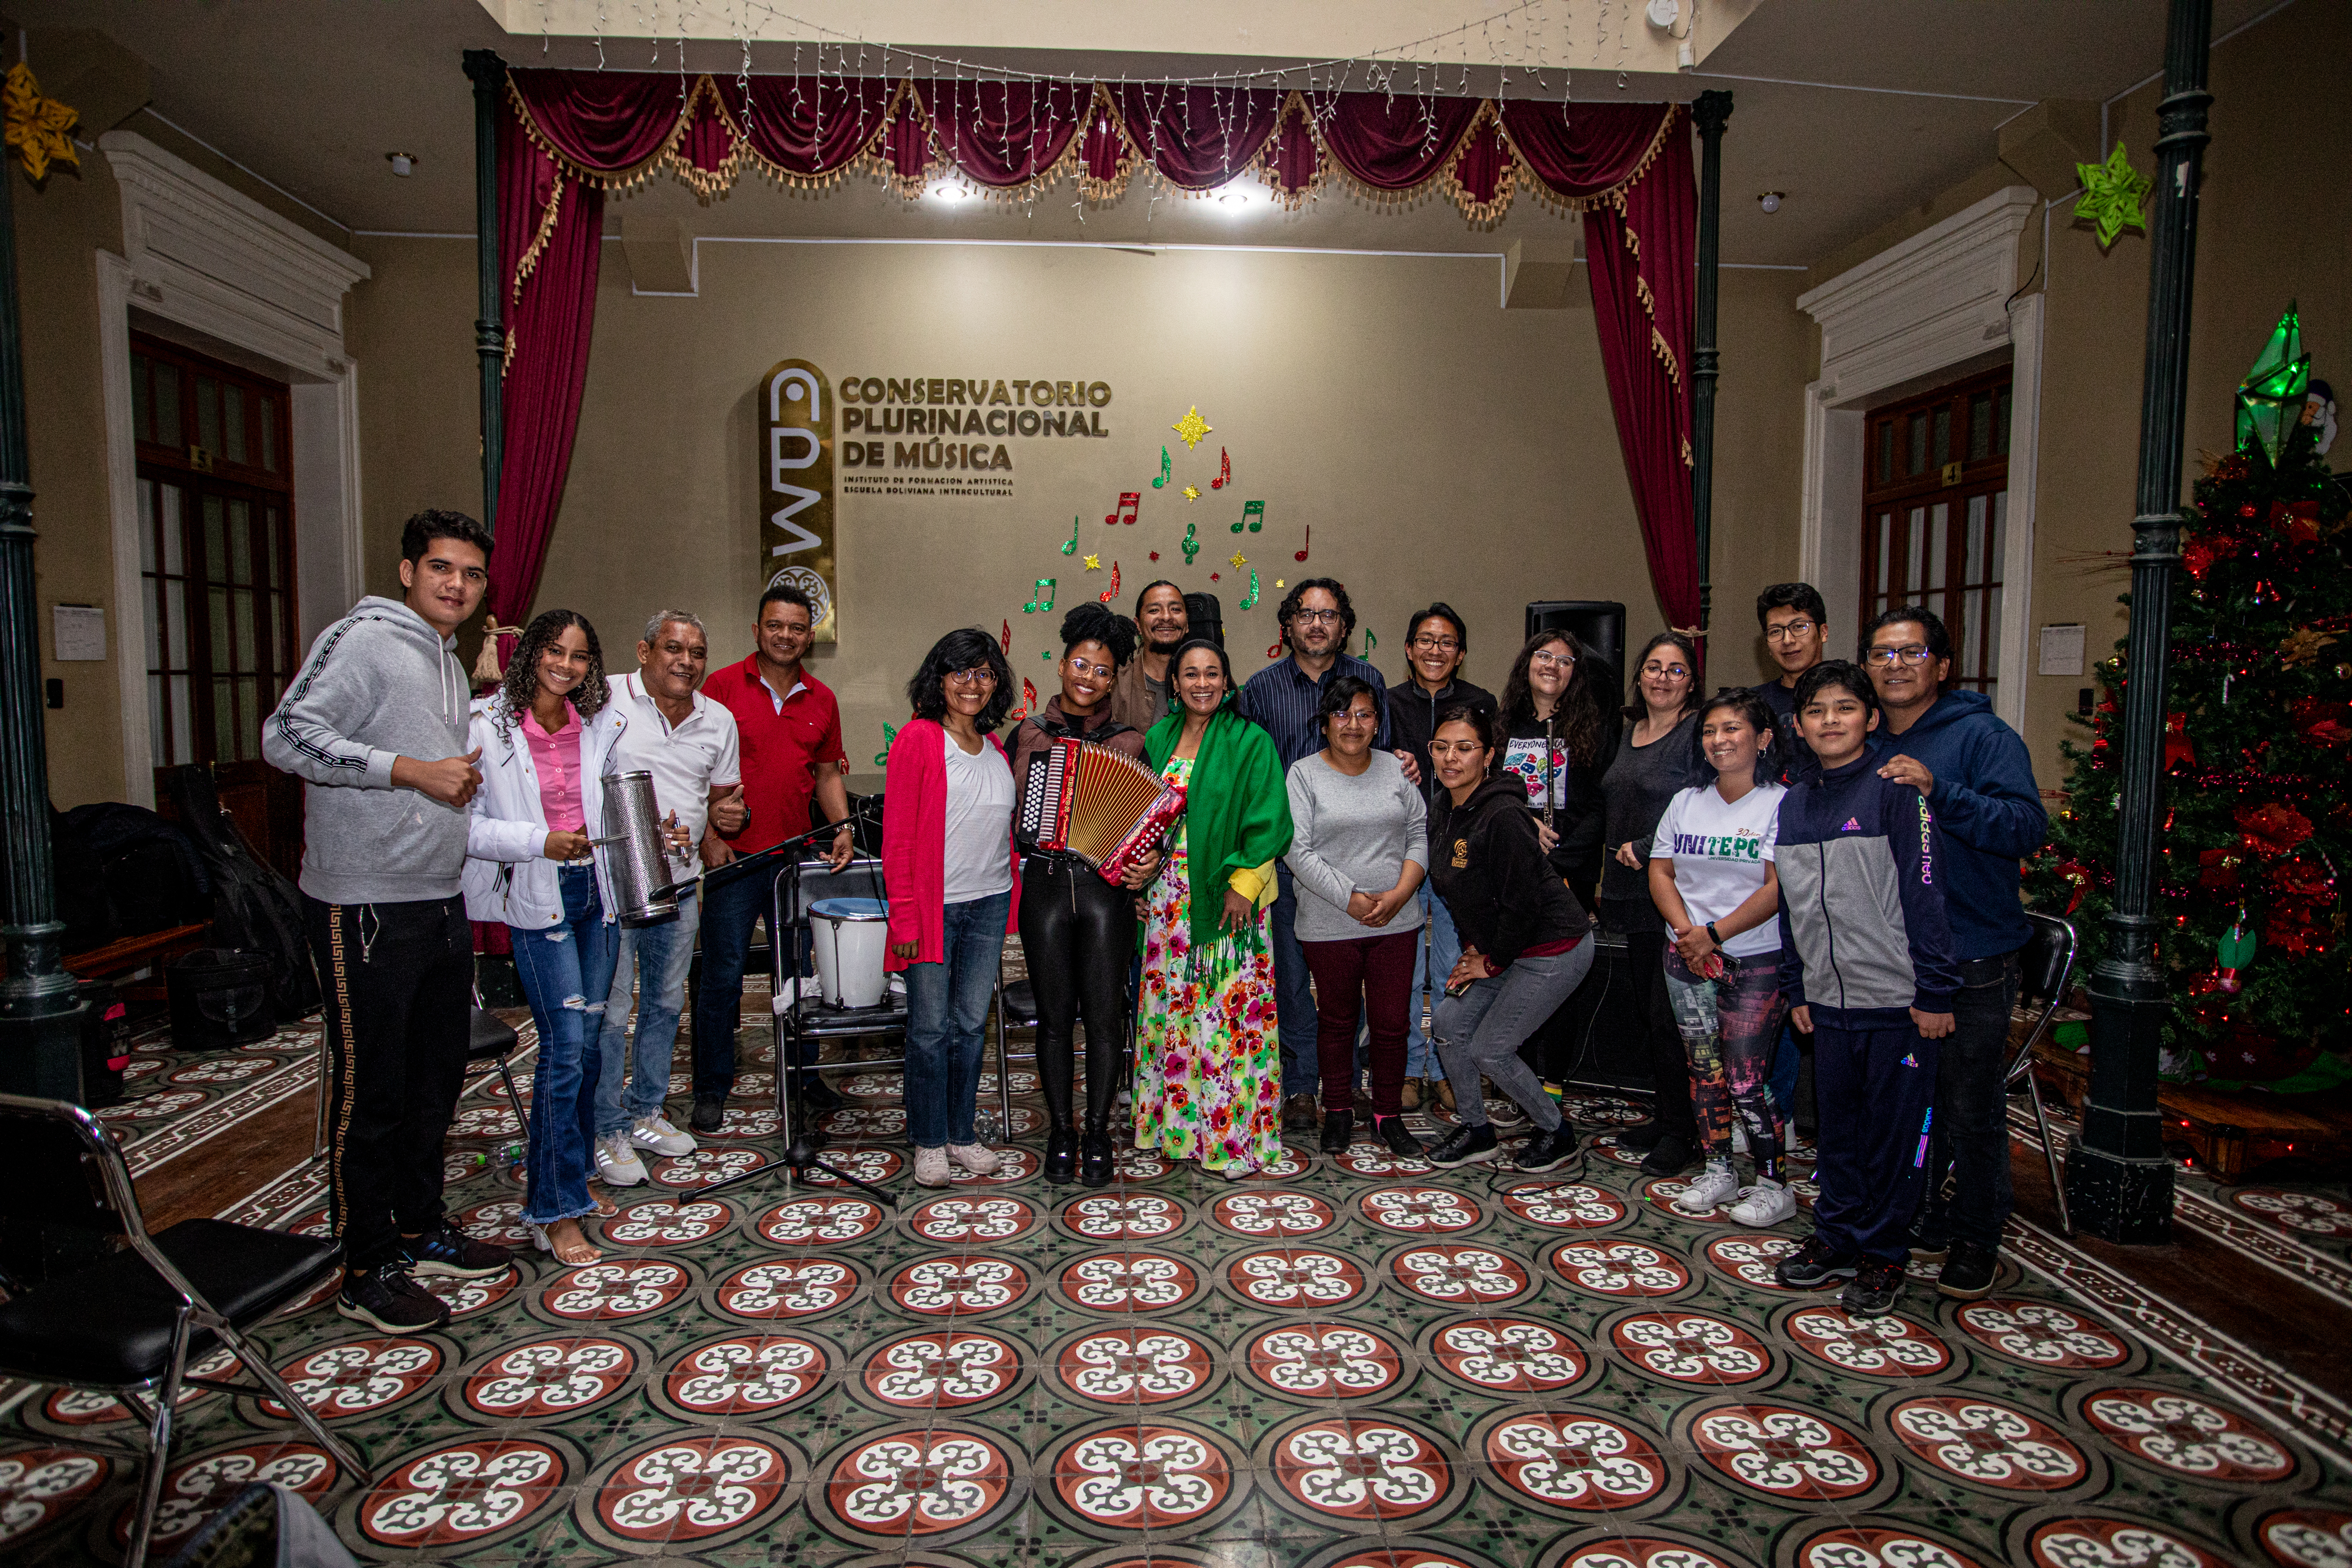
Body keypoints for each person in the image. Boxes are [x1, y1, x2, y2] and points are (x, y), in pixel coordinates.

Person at [263, 509, 514, 1332]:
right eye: (442, 568)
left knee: (434, 1080)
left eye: (472, 575)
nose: (457, 585)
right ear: (408, 571)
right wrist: (407, 769)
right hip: (362, 901)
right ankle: (364, 1261)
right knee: (371, 1091)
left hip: (437, 896)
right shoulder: (365, 638)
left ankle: (419, 1222)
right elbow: (287, 733)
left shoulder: (443, 658)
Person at [1863, 605, 2047, 1300]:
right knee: (1909, 1098)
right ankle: (1923, 1212)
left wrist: (1943, 794)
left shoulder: (1983, 737)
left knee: (1970, 1105)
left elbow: (2026, 826)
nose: (1895, 665)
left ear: (1940, 666)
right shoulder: (1868, 742)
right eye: (1882, 654)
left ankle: (1976, 1235)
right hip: (1893, 955)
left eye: (1910, 653)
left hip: (1972, 953)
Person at [1772, 661, 1958, 1318]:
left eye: (1844, 709)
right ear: (1798, 725)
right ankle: (1837, 1236)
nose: (1830, 721)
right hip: (1826, 999)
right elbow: (1793, 906)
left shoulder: (1895, 793)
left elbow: (1925, 893)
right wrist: (1798, 984)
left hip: (1898, 1001)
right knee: (1839, 1132)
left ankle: (1884, 1255)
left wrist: (1935, 991)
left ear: (1870, 718)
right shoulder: (1794, 805)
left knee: (1894, 1134)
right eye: (1816, 711)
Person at [463, 609, 629, 1266]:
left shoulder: (598, 727)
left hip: (597, 892)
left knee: (588, 1045)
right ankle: (551, 1209)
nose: (566, 665)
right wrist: (539, 841)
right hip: (539, 897)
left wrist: (656, 828)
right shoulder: (486, 726)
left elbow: (609, 804)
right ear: (529, 653)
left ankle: (576, 1173)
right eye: (554, 652)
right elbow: (466, 827)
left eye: (580, 656)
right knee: (562, 1051)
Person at [1237, 579, 1405, 1136]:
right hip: (1288, 865)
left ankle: (1346, 1083)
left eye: (1328, 614)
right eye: (1306, 614)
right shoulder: (1260, 690)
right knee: (1291, 981)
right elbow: (1251, 776)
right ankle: (1302, 1086)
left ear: (1344, 624)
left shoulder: (1370, 682)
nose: (1316, 624)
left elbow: (1390, 764)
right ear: (1288, 623)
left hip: (1358, 864)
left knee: (1348, 985)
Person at [1009, 603, 1161, 1187]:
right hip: (1045, 886)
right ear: (1062, 665)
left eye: (1101, 671)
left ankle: (1096, 1133)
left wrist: (1149, 860)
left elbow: (1154, 820)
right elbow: (1003, 812)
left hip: (1104, 893)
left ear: (1113, 677)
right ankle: (1060, 1134)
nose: (1088, 678)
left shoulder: (1129, 741)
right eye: (1080, 664)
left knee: (1103, 1016)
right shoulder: (1026, 734)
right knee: (1054, 1019)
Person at [590, 612, 745, 1188]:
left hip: (679, 886)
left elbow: (723, 801)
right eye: (674, 648)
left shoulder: (718, 719)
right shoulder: (603, 700)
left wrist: (724, 821)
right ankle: (605, 1127)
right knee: (610, 1014)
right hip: (611, 887)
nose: (686, 661)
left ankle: (644, 1113)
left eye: (698, 652)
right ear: (644, 649)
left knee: (662, 1007)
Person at [697, 583, 855, 1132]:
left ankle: (803, 1074)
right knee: (722, 976)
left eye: (796, 627)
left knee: (800, 977)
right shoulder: (719, 687)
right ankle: (713, 1085)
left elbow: (828, 772)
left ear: (809, 635)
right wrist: (706, 834)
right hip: (734, 860)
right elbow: (695, 768)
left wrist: (840, 830)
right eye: (775, 625)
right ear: (756, 630)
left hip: (795, 861)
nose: (785, 635)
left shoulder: (823, 698)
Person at [1136, 637, 1294, 1178]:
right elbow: (1139, 817)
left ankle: (1235, 1141)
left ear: (1228, 682)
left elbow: (1270, 821)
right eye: (1190, 674)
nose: (1202, 682)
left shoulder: (1251, 741)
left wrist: (1243, 886)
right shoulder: (1157, 738)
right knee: (1177, 1020)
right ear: (1174, 685)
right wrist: (1141, 879)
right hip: (1167, 907)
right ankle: (1179, 1133)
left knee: (1229, 1023)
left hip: (1230, 906)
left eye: (1212, 673)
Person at [1648, 689, 1793, 1226]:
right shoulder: (1686, 801)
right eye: (1710, 730)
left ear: (1764, 737)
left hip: (1755, 959)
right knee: (1703, 1070)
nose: (1719, 739)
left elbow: (1778, 887)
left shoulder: (1781, 804)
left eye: (1733, 728)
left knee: (1745, 1077)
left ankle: (1774, 1183)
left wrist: (1715, 933)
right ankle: (1718, 1169)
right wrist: (1689, 933)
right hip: (1685, 955)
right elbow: (1660, 871)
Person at [884, 628, 1021, 1188]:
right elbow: (897, 840)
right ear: (939, 678)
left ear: (997, 684)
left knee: (970, 1026)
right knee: (929, 1030)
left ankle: (962, 1134)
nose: (973, 684)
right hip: (934, 909)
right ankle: (930, 1138)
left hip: (987, 905)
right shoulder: (919, 739)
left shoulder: (993, 749)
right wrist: (907, 918)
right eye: (961, 672)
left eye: (984, 674)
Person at [1422, 706, 1586, 1174]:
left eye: (1465, 747)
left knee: (1490, 1047)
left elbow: (1523, 905)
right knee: (1449, 1024)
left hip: (1553, 947)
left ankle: (1557, 1132)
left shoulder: (1504, 815)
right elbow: (1466, 893)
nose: (1450, 758)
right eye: (1441, 747)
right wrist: (1480, 950)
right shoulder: (1444, 807)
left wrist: (1490, 963)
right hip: (1503, 947)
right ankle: (1477, 1131)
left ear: (1489, 755)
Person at [1285, 676, 1429, 1158]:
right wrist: (1349, 898)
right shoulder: (1303, 775)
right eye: (1342, 714)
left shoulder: (1396, 771)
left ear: (1377, 722)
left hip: (1397, 919)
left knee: (1392, 1024)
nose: (1353, 724)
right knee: (1336, 1021)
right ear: (1325, 723)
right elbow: (1296, 851)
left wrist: (1398, 894)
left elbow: (1418, 833)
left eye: (1365, 714)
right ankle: (1340, 1112)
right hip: (1329, 921)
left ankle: (1388, 1115)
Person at [1599, 633, 1705, 1176]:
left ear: (1692, 680)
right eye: (1654, 667)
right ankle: (1667, 1116)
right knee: (1651, 1012)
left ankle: (1685, 1132)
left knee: (1673, 1020)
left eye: (1677, 670)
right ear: (1639, 674)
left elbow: (1703, 805)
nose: (1663, 677)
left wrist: (1646, 848)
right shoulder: (1629, 732)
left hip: (1678, 893)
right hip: (1630, 894)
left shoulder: (1695, 736)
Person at [1387, 603, 1496, 1112]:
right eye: (1426, 641)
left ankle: (1451, 1067)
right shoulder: (1386, 703)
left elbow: (1493, 777)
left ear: (1462, 654)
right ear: (1409, 649)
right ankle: (1410, 1068)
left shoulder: (1482, 703)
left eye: (1447, 642)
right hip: (1402, 850)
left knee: (1453, 965)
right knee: (1408, 969)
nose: (1435, 650)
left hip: (1460, 853)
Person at [1751, 582, 1834, 1146]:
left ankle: (1835, 1128)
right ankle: (1769, 1116)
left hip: (1837, 862)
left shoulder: (1846, 693)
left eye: (1799, 627)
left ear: (1822, 631)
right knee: (1778, 992)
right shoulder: (1757, 704)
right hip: (1768, 865)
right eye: (1777, 630)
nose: (1788, 639)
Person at [1110, 579, 1189, 732]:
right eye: (1154, 610)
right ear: (1138, 625)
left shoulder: (1209, 679)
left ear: (1187, 624)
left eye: (1176, 609)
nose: (1166, 617)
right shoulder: (1116, 682)